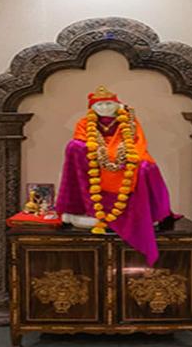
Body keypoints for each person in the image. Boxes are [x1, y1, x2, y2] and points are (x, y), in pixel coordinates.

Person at [55, 86, 174, 265]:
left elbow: (137, 141)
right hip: (96, 156)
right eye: (99, 105)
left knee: (145, 167)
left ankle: (149, 212)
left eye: (108, 104)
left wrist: (118, 154)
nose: (104, 108)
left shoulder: (128, 120)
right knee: (73, 147)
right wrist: (102, 152)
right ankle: (82, 208)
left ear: (117, 105)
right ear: (92, 108)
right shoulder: (85, 122)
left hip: (124, 153)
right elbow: (80, 140)